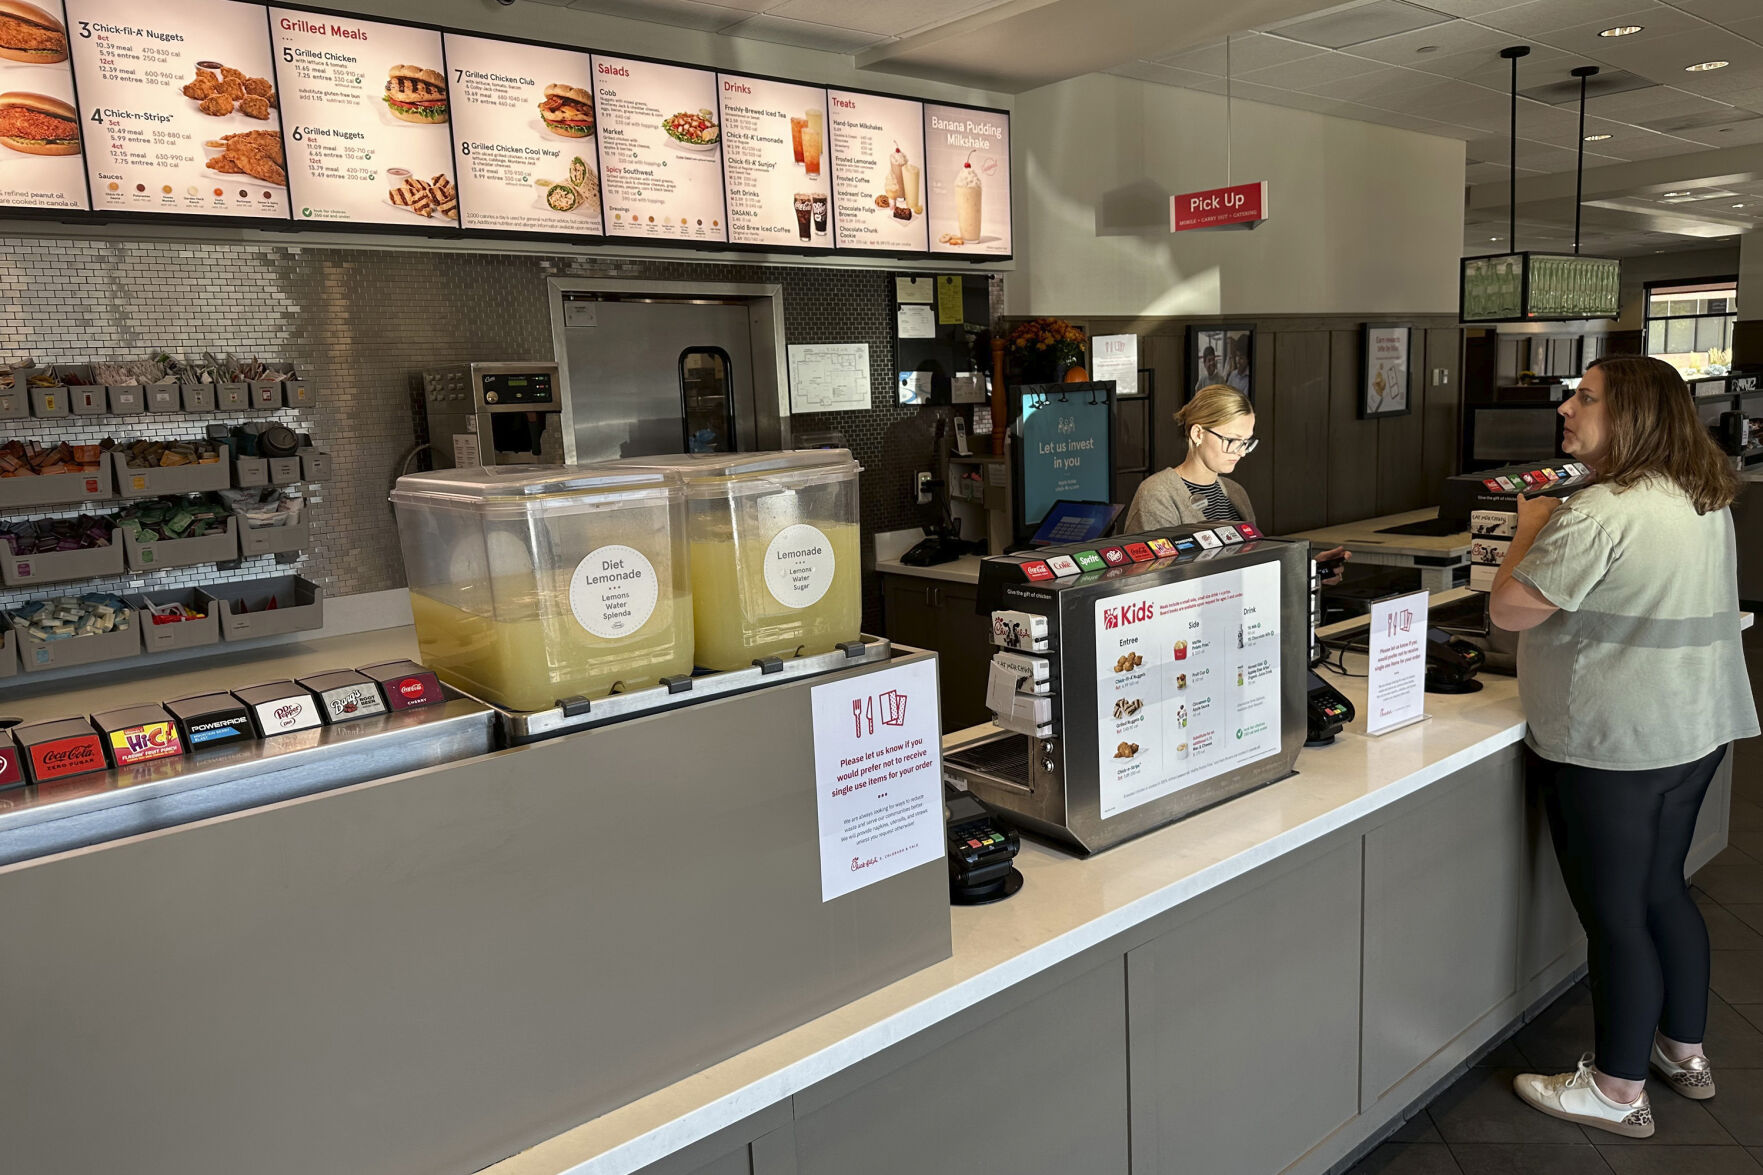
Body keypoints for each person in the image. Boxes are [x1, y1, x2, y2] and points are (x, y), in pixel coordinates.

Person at [1490, 355, 1758, 1139]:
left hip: (1616, 742)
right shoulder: (1700, 496)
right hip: (1691, 728)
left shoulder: (1599, 510)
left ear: (1632, 413)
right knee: (1661, 891)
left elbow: (1510, 610)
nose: (1566, 407)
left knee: (1615, 916)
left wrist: (1529, 528)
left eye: (1586, 397)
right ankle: (1683, 1050)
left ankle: (1613, 1088)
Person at [1122, 384, 1347, 579]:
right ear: (1198, 434)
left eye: (1246, 442)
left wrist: (1311, 571)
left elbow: (1252, 571)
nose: (1241, 452)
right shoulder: (1157, 493)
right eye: (1232, 440)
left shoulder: (1235, 492)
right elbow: (1152, 580)